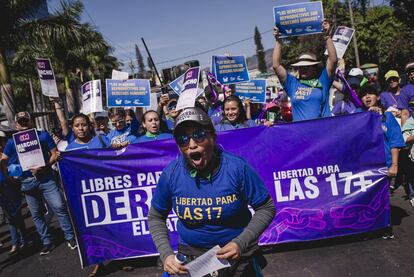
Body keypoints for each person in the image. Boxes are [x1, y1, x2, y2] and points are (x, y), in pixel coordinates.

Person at [148, 107, 275, 276]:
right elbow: (156, 216)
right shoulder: (171, 174)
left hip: (237, 254)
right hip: (191, 258)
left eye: (199, 136)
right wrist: (166, 255)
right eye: (183, 139)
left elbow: (266, 207)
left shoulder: (237, 168)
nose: (192, 145)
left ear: (212, 137)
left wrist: (241, 243)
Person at [0, 111, 77, 255]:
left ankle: (70, 237)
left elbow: (55, 153)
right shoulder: (11, 142)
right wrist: (9, 177)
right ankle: (47, 242)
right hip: (27, 183)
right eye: (21, 122)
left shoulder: (43, 135)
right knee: (36, 214)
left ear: (31, 122)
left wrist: (45, 166)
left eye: (26, 121)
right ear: (16, 125)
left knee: (59, 206)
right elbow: (3, 160)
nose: (24, 124)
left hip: (46, 178)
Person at [359, 85, 405, 238]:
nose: (367, 97)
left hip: (384, 165)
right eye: (364, 95)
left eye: (370, 93)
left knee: (382, 198)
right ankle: (368, 228)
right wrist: (367, 119)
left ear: (377, 97)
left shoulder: (388, 117)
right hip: (364, 167)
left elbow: (395, 142)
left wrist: (395, 165)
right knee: (365, 199)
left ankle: (384, 227)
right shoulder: (358, 117)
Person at [272, 19, 338, 121]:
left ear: (314, 67)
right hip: (301, 134)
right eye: (300, 67)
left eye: (307, 67)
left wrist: (327, 37)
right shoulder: (292, 83)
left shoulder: (323, 80)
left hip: (323, 132)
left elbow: (333, 60)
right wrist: (278, 40)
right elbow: (276, 65)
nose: (303, 69)